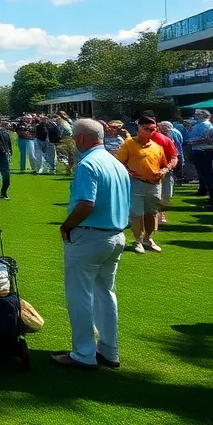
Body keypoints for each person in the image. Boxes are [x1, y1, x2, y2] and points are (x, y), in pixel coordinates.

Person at [55, 119, 130, 370]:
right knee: (105, 294)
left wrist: (66, 225)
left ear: (81, 138)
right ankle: (109, 350)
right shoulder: (116, 162)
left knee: (80, 295)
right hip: (115, 234)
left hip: (90, 235)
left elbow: (87, 203)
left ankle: (84, 353)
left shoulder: (88, 164)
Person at [115, 117, 168, 253]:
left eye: (153, 129)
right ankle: (137, 240)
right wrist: (129, 173)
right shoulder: (129, 144)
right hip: (136, 183)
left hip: (154, 184)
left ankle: (147, 238)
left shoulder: (157, 147)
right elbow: (119, 162)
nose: (151, 132)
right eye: (148, 129)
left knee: (151, 213)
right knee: (136, 213)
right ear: (139, 128)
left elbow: (164, 164)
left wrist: (163, 171)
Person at [187, 110, 213, 207]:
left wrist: (194, 142)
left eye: (197, 115)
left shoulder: (207, 125)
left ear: (203, 115)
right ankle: (211, 196)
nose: (195, 116)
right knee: (204, 175)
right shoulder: (198, 125)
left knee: (208, 176)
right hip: (198, 151)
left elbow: (209, 139)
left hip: (204, 151)